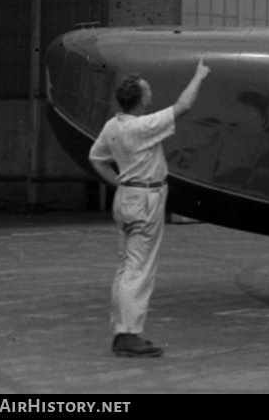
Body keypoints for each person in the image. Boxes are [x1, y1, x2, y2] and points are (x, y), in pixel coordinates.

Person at [88, 60, 209, 358]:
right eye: (148, 91)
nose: (150, 92)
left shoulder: (112, 126)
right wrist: (199, 76)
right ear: (141, 99)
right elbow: (183, 105)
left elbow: (96, 158)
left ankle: (122, 331)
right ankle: (128, 334)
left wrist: (119, 183)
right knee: (139, 269)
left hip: (127, 198)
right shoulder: (142, 127)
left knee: (126, 266)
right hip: (146, 200)